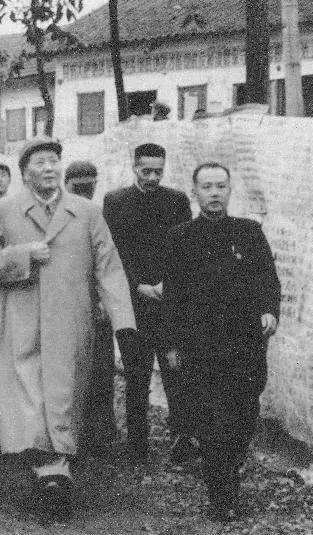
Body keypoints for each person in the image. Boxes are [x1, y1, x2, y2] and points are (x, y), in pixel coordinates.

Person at [0, 138, 136, 523]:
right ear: (24, 172)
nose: (49, 168)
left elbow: (109, 267)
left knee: (64, 392)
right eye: (40, 163)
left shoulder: (86, 212)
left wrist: (123, 321)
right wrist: (22, 255)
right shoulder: (6, 209)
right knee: (29, 392)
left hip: (70, 318)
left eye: (54, 162)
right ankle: (51, 471)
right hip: (22, 315)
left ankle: (54, 470)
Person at [162, 162, 280, 522]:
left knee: (244, 416)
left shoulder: (249, 232)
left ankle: (228, 468)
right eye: (207, 187)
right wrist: (171, 345)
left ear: (230, 190)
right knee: (212, 421)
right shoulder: (181, 237)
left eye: (221, 186)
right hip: (200, 347)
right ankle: (222, 495)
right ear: (194, 192)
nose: (214, 193)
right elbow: (173, 295)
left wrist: (270, 311)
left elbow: (268, 280)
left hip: (245, 345)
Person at [103, 143, 192, 463]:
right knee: (136, 375)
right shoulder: (115, 202)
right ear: (134, 168)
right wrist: (137, 285)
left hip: (169, 306)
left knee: (175, 370)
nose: (153, 177)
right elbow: (112, 252)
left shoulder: (177, 200)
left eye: (158, 171)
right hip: (133, 305)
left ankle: (182, 439)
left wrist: (169, 284)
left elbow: (186, 249)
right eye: (146, 171)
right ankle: (137, 445)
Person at [64, 161, 116, 456]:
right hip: (65, 305)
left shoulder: (100, 216)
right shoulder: (57, 217)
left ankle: (100, 432)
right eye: (78, 188)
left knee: (100, 369)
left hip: (95, 306)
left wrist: (103, 299)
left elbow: (108, 262)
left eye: (89, 188)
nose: (84, 194)